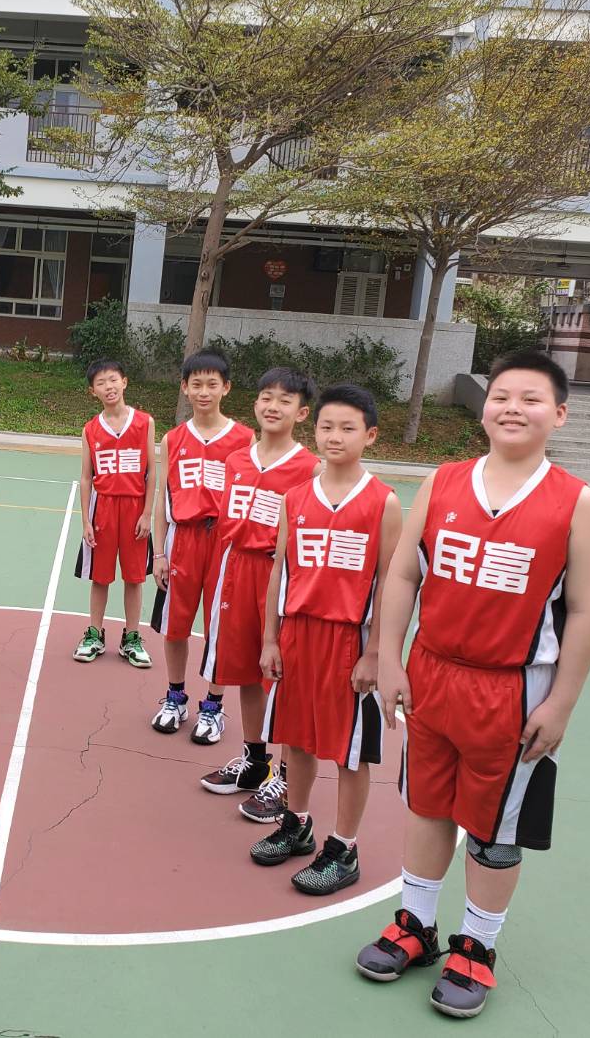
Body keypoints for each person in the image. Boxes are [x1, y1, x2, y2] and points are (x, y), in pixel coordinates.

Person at [354, 350, 590, 1020]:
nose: (512, 408)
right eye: (501, 396)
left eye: (531, 398)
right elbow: (403, 574)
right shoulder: (443, 482)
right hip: (434, 675)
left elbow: (586, 609)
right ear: (484, 405)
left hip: (514, 690)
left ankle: (477, 945)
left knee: (496, 830)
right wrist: (389, 658)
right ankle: (416, 924)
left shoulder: (575, 502)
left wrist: (561, 702)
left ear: (559, 414)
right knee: (427, 806)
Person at [250, 384, 401, 896]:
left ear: (370, 436)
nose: (335, 436)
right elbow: (280, 571)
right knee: (295, 737)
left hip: (349, 641)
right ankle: (297, 823)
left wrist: (376, 653)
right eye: (327, 427)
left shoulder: (383, 502)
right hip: (298, 634)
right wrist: (270, 638)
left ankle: (344, 846)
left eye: (348, 428)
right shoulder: (295, 498)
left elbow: (391, 584)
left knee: (350, 751)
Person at [197, 368, 321, 809]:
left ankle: (286, 777)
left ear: (301, 413)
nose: (273, 406)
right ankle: (254, 760)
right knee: (245, 670)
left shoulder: (310, 468)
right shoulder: (237, 461)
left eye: (285, 400)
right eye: (267, 397)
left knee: (278, 674)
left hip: (278, 574)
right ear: (254, 403)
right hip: (236, 568)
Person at [148, 350, 254, 734]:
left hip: (226, 544)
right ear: (184, 387)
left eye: (212, 384)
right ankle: (175, 697)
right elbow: (163, 498)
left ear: (226, 388)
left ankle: (213, 706)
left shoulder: (244, 438)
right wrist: (158, 553)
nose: (204, 391)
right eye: (197, 384)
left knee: (219, 629)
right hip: (183, 540)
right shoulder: (173, 439)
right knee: (175, 625)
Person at [72, 359, 155, 669]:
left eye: (112, 380)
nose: (108, 386)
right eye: (101, 383)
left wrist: (147, 513)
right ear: (92, 391)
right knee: (100, 576)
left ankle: (131, 637)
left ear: (124, 382)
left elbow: (151, 472)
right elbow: (86, 478)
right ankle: (94, 634)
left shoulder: (144, 422)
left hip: (134, 508)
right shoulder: (90, 429)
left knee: (134, 577)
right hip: (103, 508)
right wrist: (85, 520)